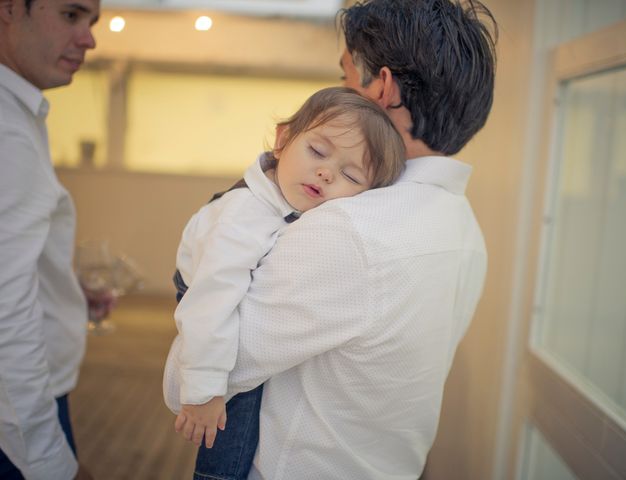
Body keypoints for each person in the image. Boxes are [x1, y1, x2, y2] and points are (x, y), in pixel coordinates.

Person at [177, 0, 496, 478]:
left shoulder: (349, 227)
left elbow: (192, 376)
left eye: (346, 77)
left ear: (381, 88)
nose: (339, 95)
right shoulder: (466, 229)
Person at [163, 86, 406, 480]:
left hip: (225, 288)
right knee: (233, 412)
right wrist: (205, 391)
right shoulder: (245, 216)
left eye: (349, 175)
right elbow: (210, 303)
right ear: (282, 140)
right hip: (206, 295)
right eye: (318, 152)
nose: (327, 172)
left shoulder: (289, 202)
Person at [0, 1, 101, 479]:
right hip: (18, 420)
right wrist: (50, 463)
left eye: (91, 22)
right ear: (9, 9)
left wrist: (64, 291)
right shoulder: (8, 132)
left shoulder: (19, 114)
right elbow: (4, 314)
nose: (89, 39)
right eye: (70, 15)